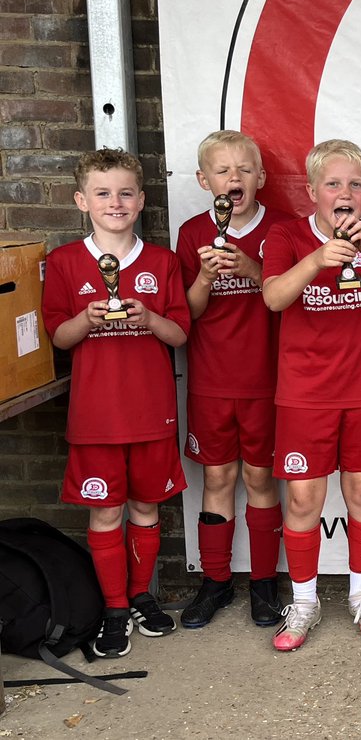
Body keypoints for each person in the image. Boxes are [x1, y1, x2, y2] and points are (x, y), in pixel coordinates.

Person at [262, 139, 361, 650]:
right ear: (312, 192)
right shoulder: (286, 234)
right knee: (304, 497)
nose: (344, 192)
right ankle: (303, 601)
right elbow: (274, 296)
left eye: (354, 184)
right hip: (305, 393)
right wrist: (317, 260)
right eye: (333, 184)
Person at [42, 149, 190, 659]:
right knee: (106, 513)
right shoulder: (63, 262)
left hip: (150, 412)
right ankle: (113, 608)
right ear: (82, 201)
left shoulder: (162, 262)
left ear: (142, 199)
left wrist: (147, 317)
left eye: (126, 192)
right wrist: (87, 319)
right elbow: (60, 338)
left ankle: (142, 595)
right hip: (96, 417)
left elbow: (179, 333)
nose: (115, 202)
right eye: (103, 193)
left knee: (146, 508)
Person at [177, 131, 287, 629]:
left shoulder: (282, 230)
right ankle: (215, 582)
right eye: (222, 171)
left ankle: (264, 582)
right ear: (204, 180)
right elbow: (187, 314)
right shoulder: (191, 231)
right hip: (211, 380)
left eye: (244, 169)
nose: (234, 178)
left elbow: (289, 297)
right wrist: (204, 277)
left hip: (267, 380)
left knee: (260, 478)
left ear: (261, 178)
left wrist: (252, 266)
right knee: (218, 478)